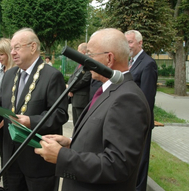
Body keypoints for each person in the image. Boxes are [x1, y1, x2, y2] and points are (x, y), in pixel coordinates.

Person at [35, 28, 151, 191]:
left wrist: (63, 157)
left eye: (90, 54)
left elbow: (118, 166)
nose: (85, 59)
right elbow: (102, 141)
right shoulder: (111, 89)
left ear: (109, 58)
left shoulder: (127, 98)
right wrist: (71, 144)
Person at [0, 27, 69, 191]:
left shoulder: (52, 76)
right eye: (11, 49)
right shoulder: (10, 74)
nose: (13, 53)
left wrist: (31, 121)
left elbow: (60, 113)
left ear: (32, 47)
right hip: (11, 157)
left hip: (38, 159)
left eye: (17, 47)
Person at [125, 30, 158, 191]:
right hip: (128, 120)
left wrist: (138, 122)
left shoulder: (148, 63)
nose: (128, 45)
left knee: (141, 161)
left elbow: (147, 98)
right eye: (126, 42)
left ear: (140, 43)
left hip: (140, 122)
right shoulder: (130, 62)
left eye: (130, 42)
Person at [0, 38, 16, 184]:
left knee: (12, 156)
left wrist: (3, 118)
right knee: (3, 154)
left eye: (1, 54)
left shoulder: (16, 72)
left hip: (9, 119)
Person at [67, 43, 92, 125]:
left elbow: (84, 80)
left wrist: (71, 88)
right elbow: (73, 76)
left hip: (81, 100)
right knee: (75, 123)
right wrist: (69, 87)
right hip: (74, 99)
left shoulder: (89, 64)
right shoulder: (80, 63)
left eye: (79, 51)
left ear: (84, 52)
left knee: (80, 123)